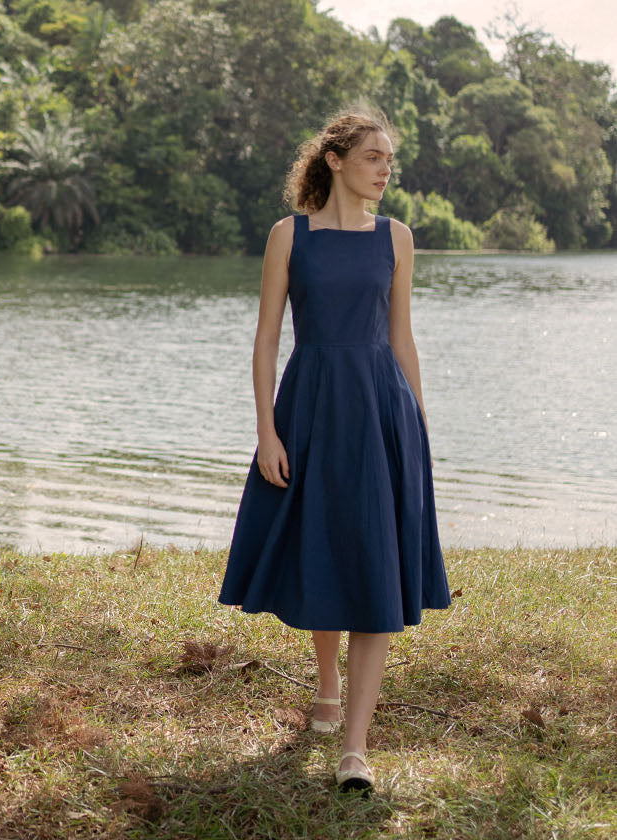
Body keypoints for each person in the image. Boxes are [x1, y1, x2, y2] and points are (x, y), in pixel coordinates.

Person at [218, 110, 452, 792]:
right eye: (373, 156)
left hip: (382, 408)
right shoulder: (289, 237)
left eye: (390, 160)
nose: (384, 169)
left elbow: (402, 337)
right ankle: (326, 683)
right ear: (335, 160)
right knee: (324, 543)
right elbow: (265, 340)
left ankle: (355, 748)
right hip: (312, 402)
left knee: (374, 562)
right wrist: (267, 430)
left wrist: (420, 427)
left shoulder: (397, 239)